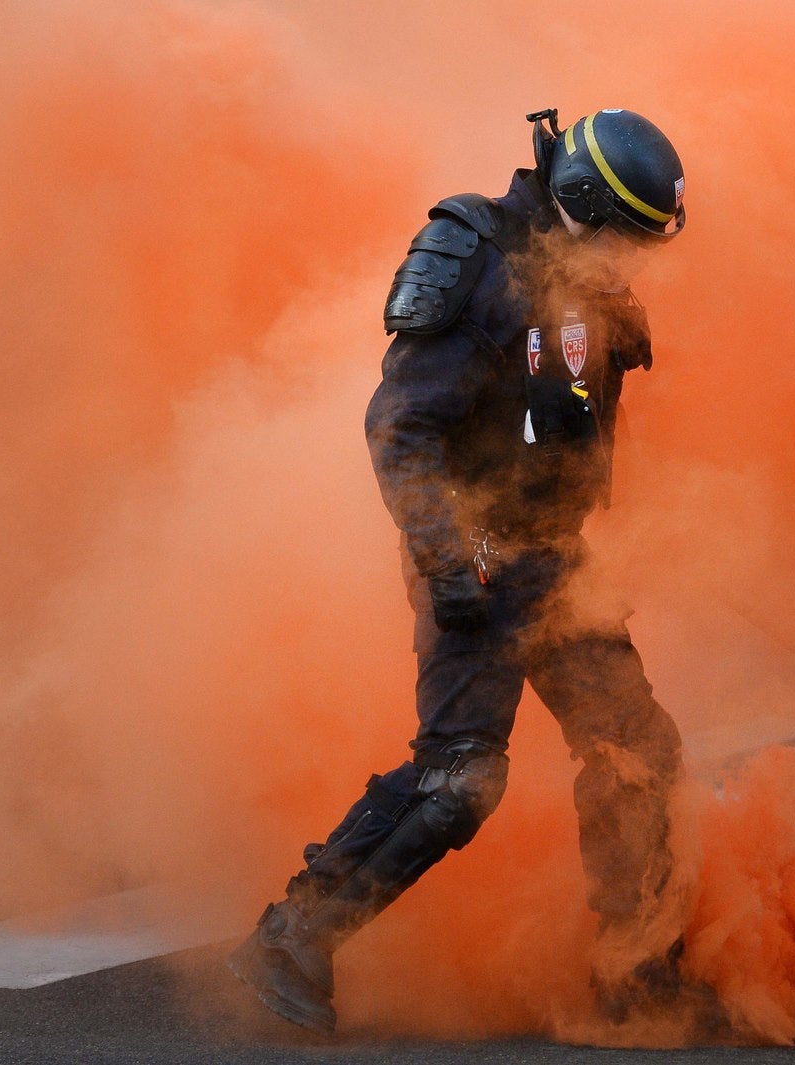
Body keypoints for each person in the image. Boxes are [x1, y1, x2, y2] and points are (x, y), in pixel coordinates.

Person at [228, 107, 691, 1034]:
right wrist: (446, 559)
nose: (632, 264)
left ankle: (635, 976)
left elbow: (567, 430)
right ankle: (290, 934)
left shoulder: (584, 282)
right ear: (580, 206)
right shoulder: (473, 258)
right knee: (460, 780)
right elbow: (401, 429)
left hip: (555, 558)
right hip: (473, 553)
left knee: (638, 748)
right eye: (624, 240)